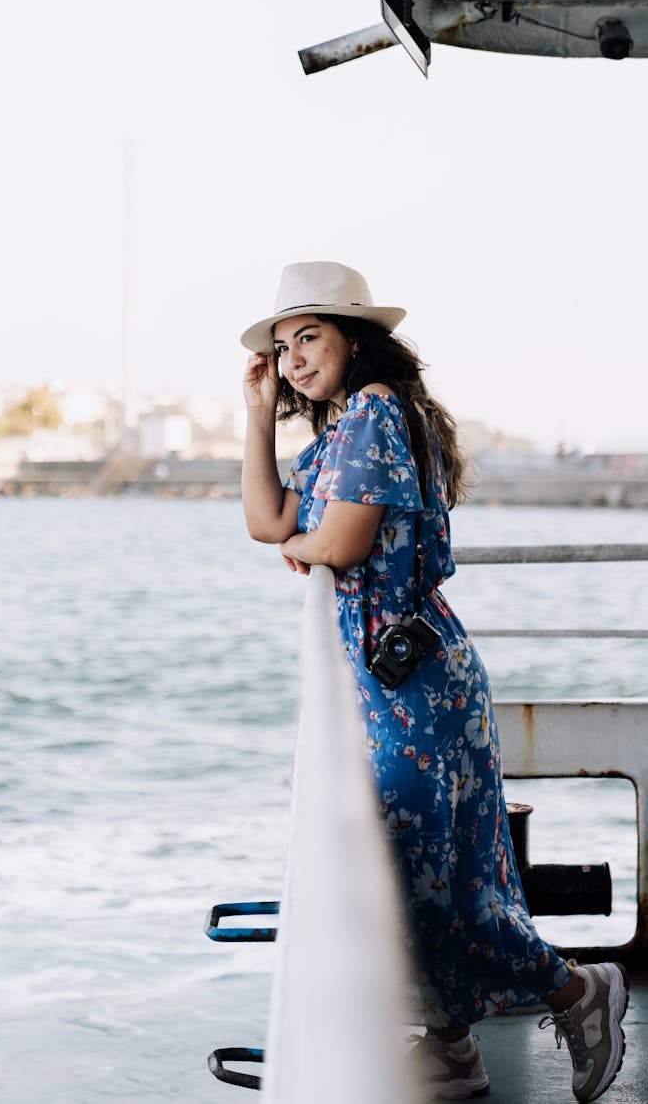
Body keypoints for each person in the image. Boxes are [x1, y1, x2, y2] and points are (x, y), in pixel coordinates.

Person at [240, 261, 630, 1103]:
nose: (296, 357)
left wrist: (305, 548)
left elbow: (333, 543)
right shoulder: (341, 429)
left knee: (435, 882)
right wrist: (257, 417)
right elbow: (264, 519)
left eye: (310, 336)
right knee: (424, 875)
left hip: (416, 686)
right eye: (283, 345)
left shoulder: (376, 411)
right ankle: (453, 1044)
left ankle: (579, 990)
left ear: (356, 339)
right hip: (396, 681)